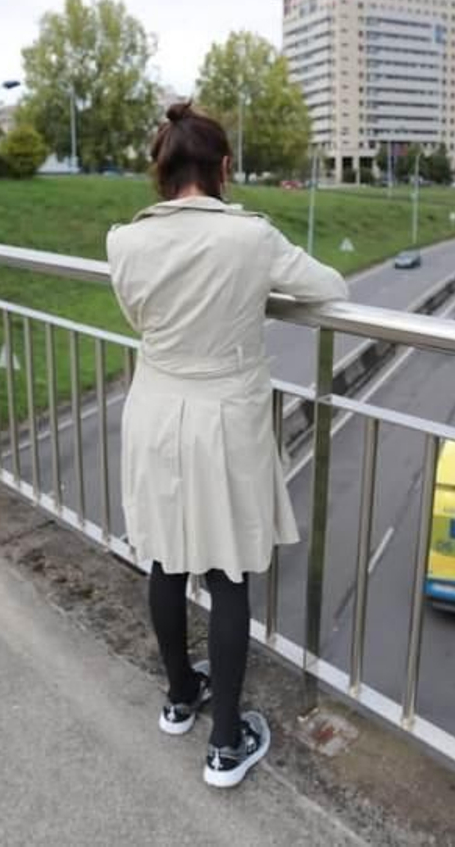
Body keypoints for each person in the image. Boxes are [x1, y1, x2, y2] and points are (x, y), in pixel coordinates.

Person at [107, 101, 347, 790]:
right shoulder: (251, 238)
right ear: (224, 169)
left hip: (155, 406)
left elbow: (140, 317)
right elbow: (329, 289)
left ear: (161, 172)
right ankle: (225, 740)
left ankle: (182, 695)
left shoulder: (125, 242)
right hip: (226, 417)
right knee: (227, 571)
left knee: (164, 554)